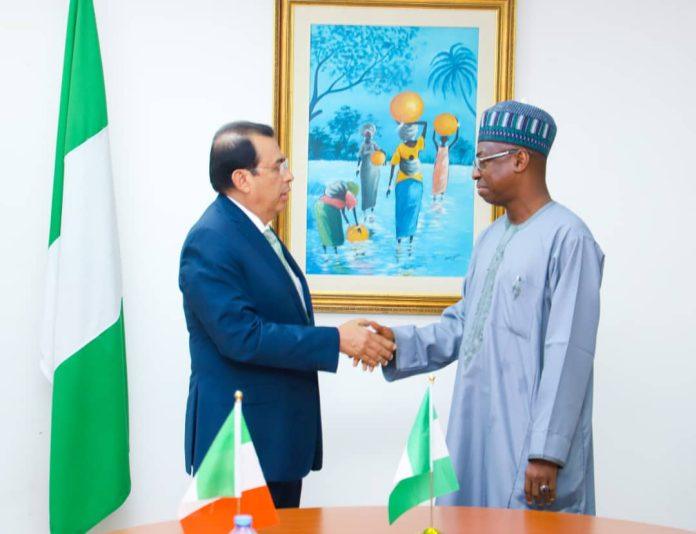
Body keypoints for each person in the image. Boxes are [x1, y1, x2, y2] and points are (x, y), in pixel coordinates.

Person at [372, 101, 604, 514]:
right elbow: (465, 322)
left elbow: (569, 351)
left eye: (483, 160)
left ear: (520, 160)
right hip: (474, 424)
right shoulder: (490, 238)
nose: (475, 173)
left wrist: (547, 452)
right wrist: (397, 344)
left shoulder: (569, 239)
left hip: (529, 440)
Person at [179, 121, 395, 509]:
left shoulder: (254, 231)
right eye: (278, 165)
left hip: (274, 443)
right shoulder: (211, 239)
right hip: (239, 447)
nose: (289, 175)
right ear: (242, 179)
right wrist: (337, 340)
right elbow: (242, 336)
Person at [386, 121, 427, 253]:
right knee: (412, 211)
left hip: (405, 182)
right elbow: (425, 125)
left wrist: (389, 185)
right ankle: (409, 242)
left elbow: (393, 165)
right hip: (415, 182)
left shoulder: (401, 147)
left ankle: (400, 242)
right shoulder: (418, 144)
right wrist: (415, 121)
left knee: (401, 211)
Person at [314, 180, 359, 254]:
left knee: (324, 231)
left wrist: (348, 223)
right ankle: (335, 253)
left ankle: (326, 253)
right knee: (336, 234)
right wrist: (357, 225)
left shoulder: (339, 194)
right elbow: (353, 209)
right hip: (329, 209)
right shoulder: (348, 194)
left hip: (318, 206)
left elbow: (344, 213)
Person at [356, 123, 381, 221]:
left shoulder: (374, 144)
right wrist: (357, 168)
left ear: (371, 136)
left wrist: (382, 159)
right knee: (365, 189)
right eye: (366, 135)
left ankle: (372, 212)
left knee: (373, 189)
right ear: (364, 136)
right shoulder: (362, 145)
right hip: (365, 170)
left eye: (369, 135)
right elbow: (359, 157)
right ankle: (364, 213)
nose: (368, 137)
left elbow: (380, 153)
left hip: (374, 170)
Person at [431, 124, 459, 202]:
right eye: (443, 140)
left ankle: (441, 195)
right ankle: (435, 195)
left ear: (447, 141)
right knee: (436, 179)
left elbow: (456, 139)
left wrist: (457, 128)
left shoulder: (447, 147)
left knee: (443, 180)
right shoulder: (438, 147)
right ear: (441, 140)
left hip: (444, 167)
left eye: (445, 140)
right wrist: (435, 129)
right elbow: (433, 139)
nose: (444, 141)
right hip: (438, 165)